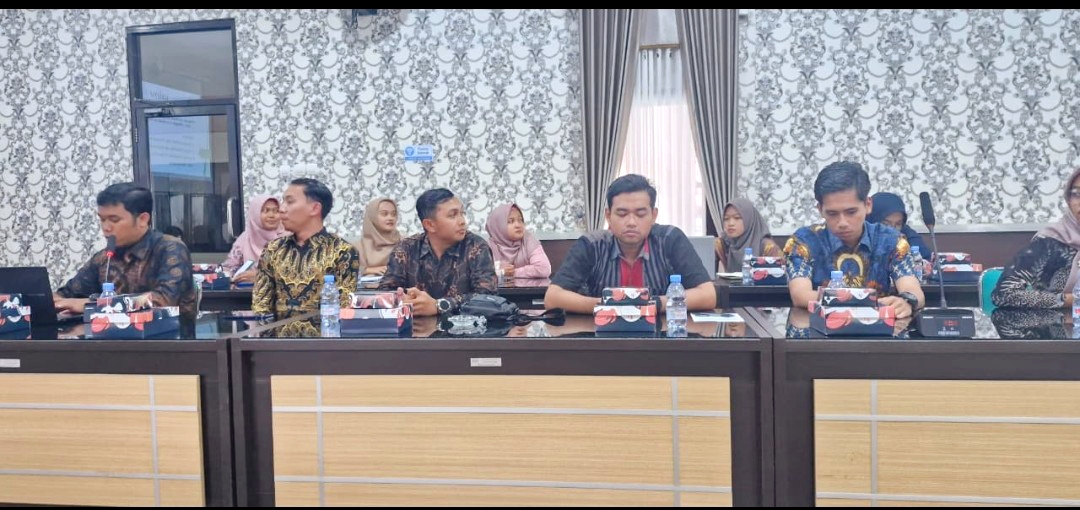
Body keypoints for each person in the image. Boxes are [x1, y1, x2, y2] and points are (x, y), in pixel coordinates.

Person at [544, 174, 716, 314]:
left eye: (640, 214)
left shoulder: (670, 239)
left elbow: (707, 295)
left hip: (661, 338)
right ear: (608, 216)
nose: (631, 222)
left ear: (654, 215)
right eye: (622, 214)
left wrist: (652, 304)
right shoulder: (592, 245)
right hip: (602, 337)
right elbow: (553, 297)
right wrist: (608, 306)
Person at [783, 161, 924, 318]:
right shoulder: (803, 241)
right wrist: (863, 302)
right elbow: (800, 295)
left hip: (878, 328)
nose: (842, 223)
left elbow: (913, 290)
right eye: (832, 214)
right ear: (820, 210)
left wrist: (906, 302)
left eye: (851, 212)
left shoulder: (891, 240)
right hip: (819, 328)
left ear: (868, 205)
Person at [53, 182, 197, 315]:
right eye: (102, 219)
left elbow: (163, 301)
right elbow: (67, 295)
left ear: (142, 219)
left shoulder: (170, 249)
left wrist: (92, 304)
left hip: (169, 333)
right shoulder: (104, 258)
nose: (105, 227)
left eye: (114, 220)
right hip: (112, 334)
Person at [378, 188, 498, 316]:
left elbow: (488, 297)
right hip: (414, 326)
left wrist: (439, 305)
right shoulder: (406, 249)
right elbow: (385, 292)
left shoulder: (476, 247)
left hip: (464, 326)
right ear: (429, 225)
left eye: (462, 213)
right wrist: (402, 299)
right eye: (452, 215)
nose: (462, 221)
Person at [252, 178, 360, 315]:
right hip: (277, 329)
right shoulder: (273, 249)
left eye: (290, 202)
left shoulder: (342, 251)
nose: (281, 209)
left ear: (315, 208)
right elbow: (261, 306)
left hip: (326, 328)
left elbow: (344, 309)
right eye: (283, 201)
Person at [992, 168, 1080, 309]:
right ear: (1068, 200)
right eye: (1077, 194)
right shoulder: (1049, 242)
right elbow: (1003, 295)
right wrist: (1070, 300)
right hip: (1054, 321)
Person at [221, 194, 285, 283]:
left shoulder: (288, 238)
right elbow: (228, 268)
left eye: (276, 211)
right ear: (255, 213)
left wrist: (261, 277)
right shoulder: (245, 239)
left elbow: (298, 275)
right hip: (249, 291)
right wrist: (236, 274)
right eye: (266, 211)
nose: (271, 215)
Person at [715, 198, 783, 273]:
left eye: (737, 218)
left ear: (749, 220)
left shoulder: (768, 247)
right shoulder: (723, 244)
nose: (730, 223)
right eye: (726, 219)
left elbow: (780, 276)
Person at [485, 203, 552, 279]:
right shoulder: (487, 247)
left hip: (529, 287)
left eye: (520, 220)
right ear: (498, 226)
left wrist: (512, 272)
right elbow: (481, 273)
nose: (518, 225)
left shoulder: (528, 240)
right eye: (510, 221)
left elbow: (544, 269)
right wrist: (497, 271)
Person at [354, 197, 402, 276]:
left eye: (393, 214)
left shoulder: (405, 242)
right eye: (384, 214)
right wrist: (367, 270)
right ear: (372, 217)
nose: (390, 218)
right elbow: (345, 271)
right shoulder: (358, 247)